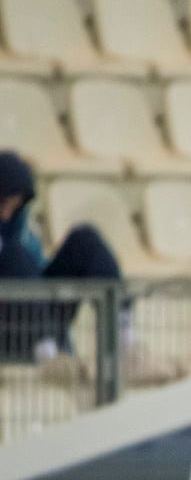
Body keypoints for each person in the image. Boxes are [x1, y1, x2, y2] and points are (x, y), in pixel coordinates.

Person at [0, 150, 128, 369]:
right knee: (12, 256)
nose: (6, 215)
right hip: (8, 327)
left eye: (14, 207)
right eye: (2, 204)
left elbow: (35, 273)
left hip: (33, 315)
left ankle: (125, 344)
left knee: (86, 241)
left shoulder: (21, 232)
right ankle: (50, 358)